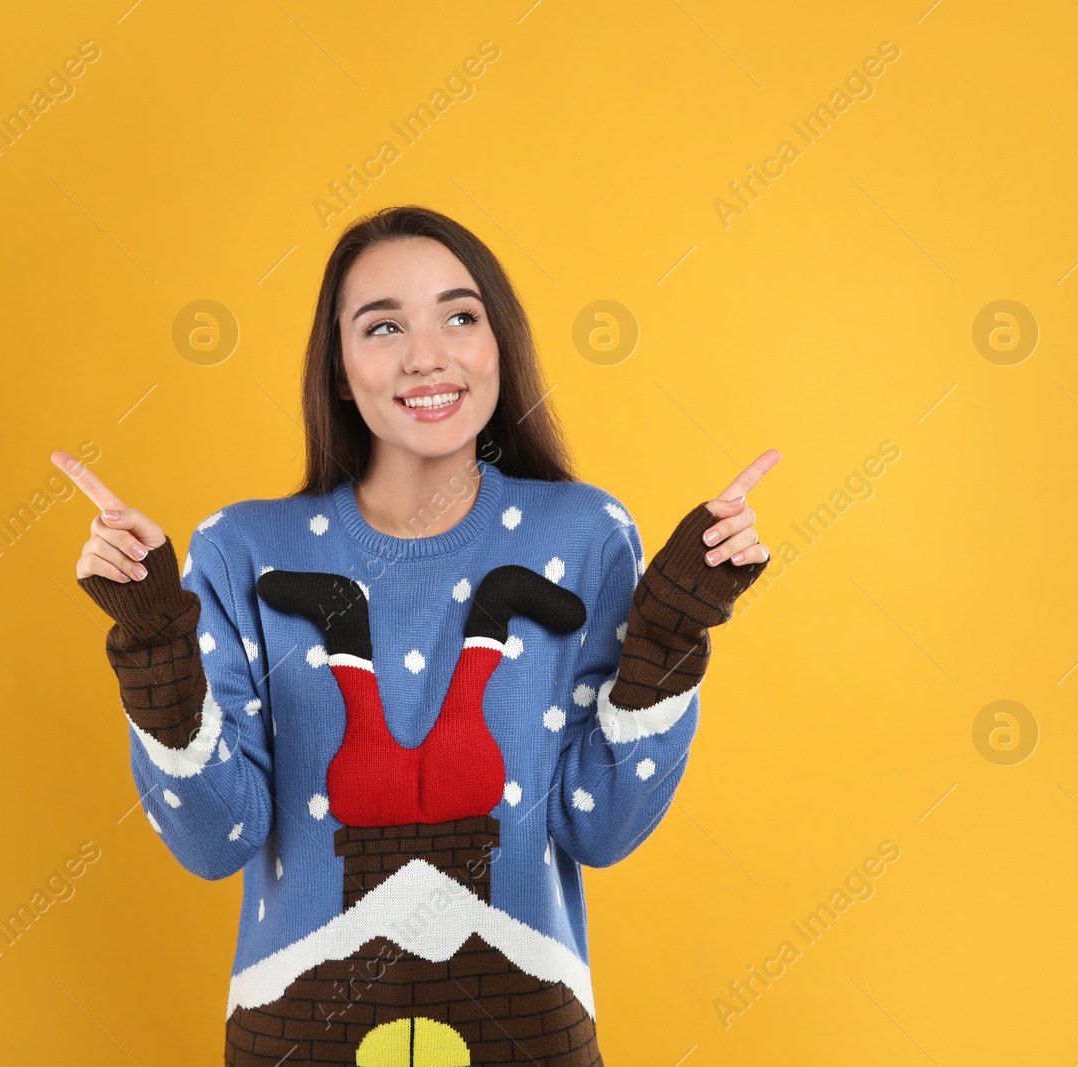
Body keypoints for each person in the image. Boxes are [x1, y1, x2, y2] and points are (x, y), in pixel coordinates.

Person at [51, 204, 778, 1065]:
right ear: (340, 369)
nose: (427, 354)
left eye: (460, 316)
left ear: (499, 345)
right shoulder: (241, 550)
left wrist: (674, 624)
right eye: (384, 325)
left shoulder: (584, 535)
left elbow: (603, 825)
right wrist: (153, 639)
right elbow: (216, 839)